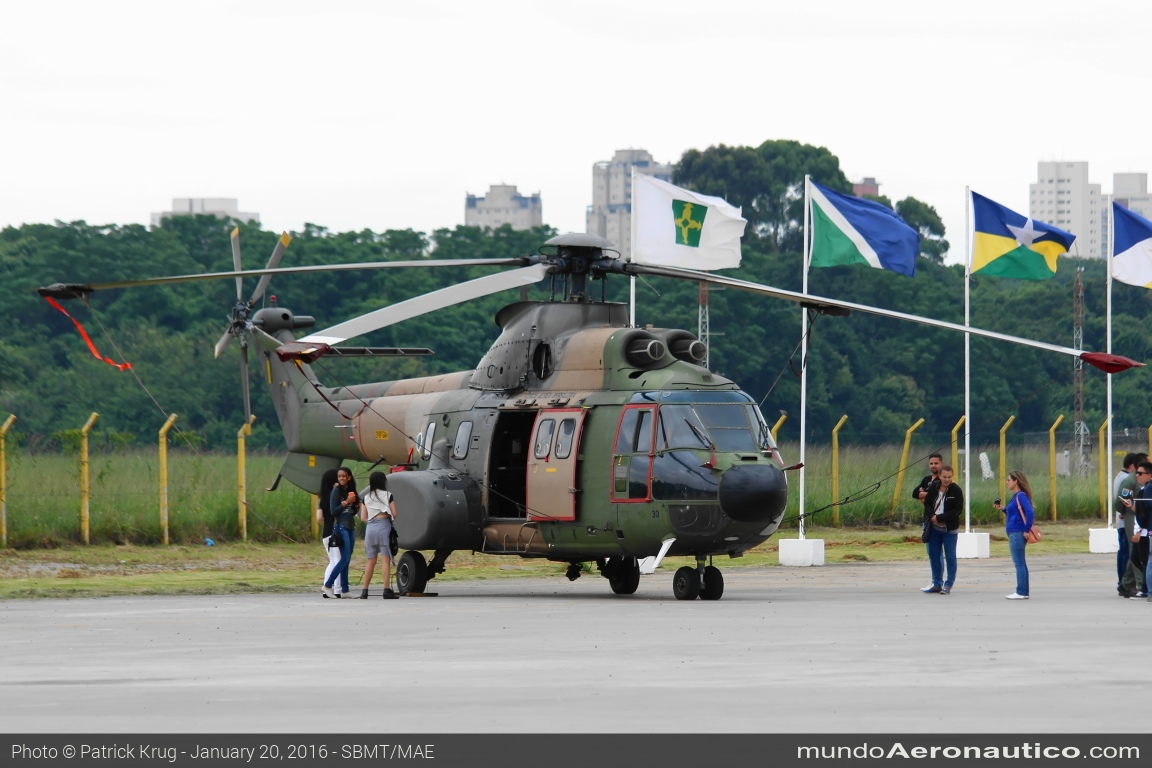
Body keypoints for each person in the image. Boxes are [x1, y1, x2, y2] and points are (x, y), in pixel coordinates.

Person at [920, 464, 963, 595]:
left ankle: (948, 584)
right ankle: (936, 583)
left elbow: (958, 509)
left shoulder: (956, 490)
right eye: (944, 477)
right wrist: (932, 516)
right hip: (934, 528)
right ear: (939, 476)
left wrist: (941, 518)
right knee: (934, 555)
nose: (947, 480)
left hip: (949, 529)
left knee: (950, 556)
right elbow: (927, 503)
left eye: (949, 477)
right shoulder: (933, 487)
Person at [994, 470, 1035, 600]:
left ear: (1016, 481)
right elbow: (1015, 513)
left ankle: (1021, 591)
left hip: (1017, 533)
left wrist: (1027, 529)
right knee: (1020, 562)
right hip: (1014, 532)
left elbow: (1029, 512)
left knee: (1019, 563)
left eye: (1009, 480)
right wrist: (1003, 509)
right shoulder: (1016, 496)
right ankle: (1023, 591)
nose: (1007, 482)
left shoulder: (1020, 495)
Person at [359, 471, 400, 599]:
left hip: (370, 528)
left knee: (371, 560)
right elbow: (394, 513)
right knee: (385, 560)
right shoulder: (388, 495)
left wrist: (373, 521)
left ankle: (364, 591)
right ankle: (386, 590)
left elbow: (363, 517)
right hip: (384, 527)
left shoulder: (366, 497)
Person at [322, 467, 360, 598]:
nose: (341, 478)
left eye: (344, 476)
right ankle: (327, 585)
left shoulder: (351, 491)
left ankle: (345, 590)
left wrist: (356, 506)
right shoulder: (336, 491)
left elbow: (352, 512)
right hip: (340, 526)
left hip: (350, 525)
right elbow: (333, 511)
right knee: (344, 558)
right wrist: (346, 502)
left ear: (349, 477)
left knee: (347, 559)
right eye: (339, 476)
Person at [1117, 452, 1148, 598]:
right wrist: (1125, 511)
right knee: (1133, 550)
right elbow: (1119, 501)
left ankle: (1126, 583)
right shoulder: (1131, 480)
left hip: (1140, 518)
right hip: (1132, 518)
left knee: (1135, 552)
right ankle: (1140, 584)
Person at [1122, 460, 1152, 603]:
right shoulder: (1143, 489)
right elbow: (1142, 512)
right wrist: (1132, 507)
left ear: (1150, 475)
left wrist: (1141, 531)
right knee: (1138, 558)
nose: (1137, 476)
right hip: (1143, 530)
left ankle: (1147, 590)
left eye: (1140, 473)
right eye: (1137, 473)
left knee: (1146, 561)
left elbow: (1147, 513)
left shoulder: (1148, 489)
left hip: (1146, 532)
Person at [315, 468, 341, 598]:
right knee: (338, 560)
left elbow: (319, 518)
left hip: (326, 532)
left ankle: (328, 587)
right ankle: (335, 588)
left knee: (332, 560)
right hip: (335, 532)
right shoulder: (336, 495)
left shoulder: (322, 498)